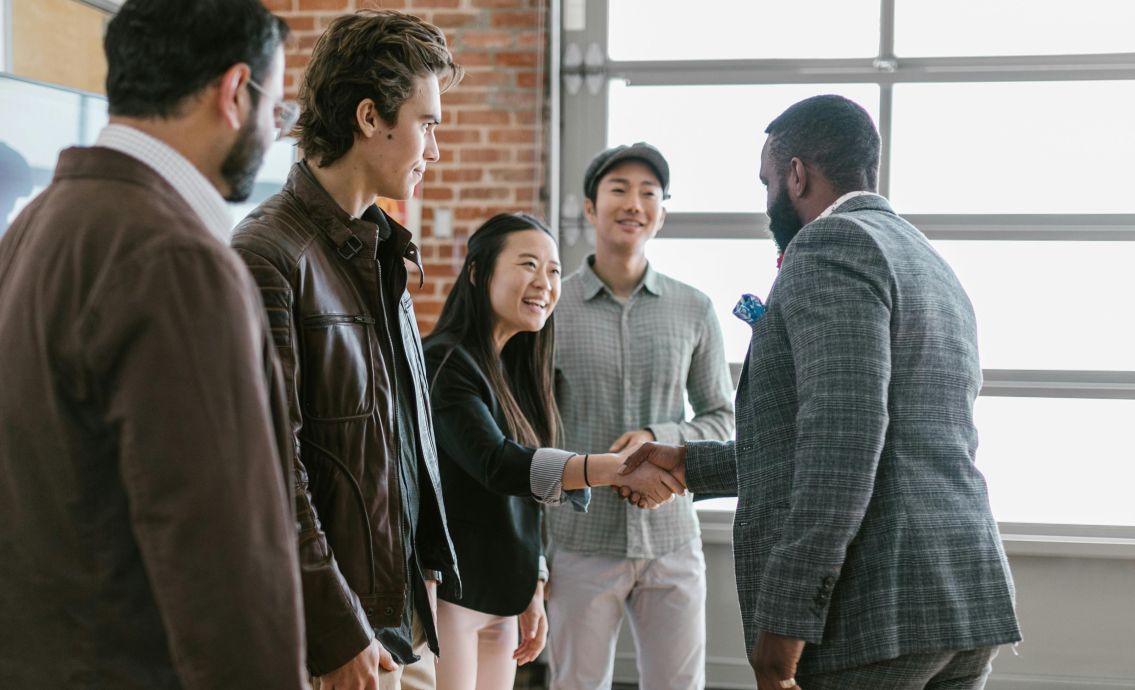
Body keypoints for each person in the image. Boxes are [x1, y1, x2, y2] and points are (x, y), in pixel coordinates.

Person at [622, 94, 1022, 690]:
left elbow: (843, 446)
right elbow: (879, 441)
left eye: (766, 182)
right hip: (964, 599)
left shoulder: (827, 248)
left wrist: (782, 629)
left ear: (796, 174)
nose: (765, 202)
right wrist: (689, 465)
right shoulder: (927, 259)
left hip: (875, 613)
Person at [0, 1, 306, 688]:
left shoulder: (39, 224)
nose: (272, 131)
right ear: (235, 92)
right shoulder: (174, 257)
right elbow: (225, 561)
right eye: (277, 111)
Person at [232, 10, 464, 690]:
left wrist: (425, 565)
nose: (434, 149)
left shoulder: (378, 246)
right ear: (370, 117)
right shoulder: (268, 253)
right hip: (329, 638)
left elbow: (394, 433)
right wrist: (337, 634)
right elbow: (274, 468)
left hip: (395, 622)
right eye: (427, 123)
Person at [422, 212, 680, 690]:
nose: (545, 282)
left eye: (555, 270)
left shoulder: (515, 371)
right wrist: (619, 470)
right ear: (478, 273)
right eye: (528, 265)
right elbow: (498, 465)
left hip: (502, 597)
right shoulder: (444, 360)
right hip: (450, 599)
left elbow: (524, 496)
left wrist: (534, 583)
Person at [546, 142, 735, 690]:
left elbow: (722, 417)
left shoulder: (694, 307)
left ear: (662, 212)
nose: (634, 203)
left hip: (672, 540)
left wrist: (659, 435)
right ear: (589, 207)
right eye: (619, 190)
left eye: (649, 193)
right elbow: (531, 424)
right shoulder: (553, 307)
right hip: (580, 539)